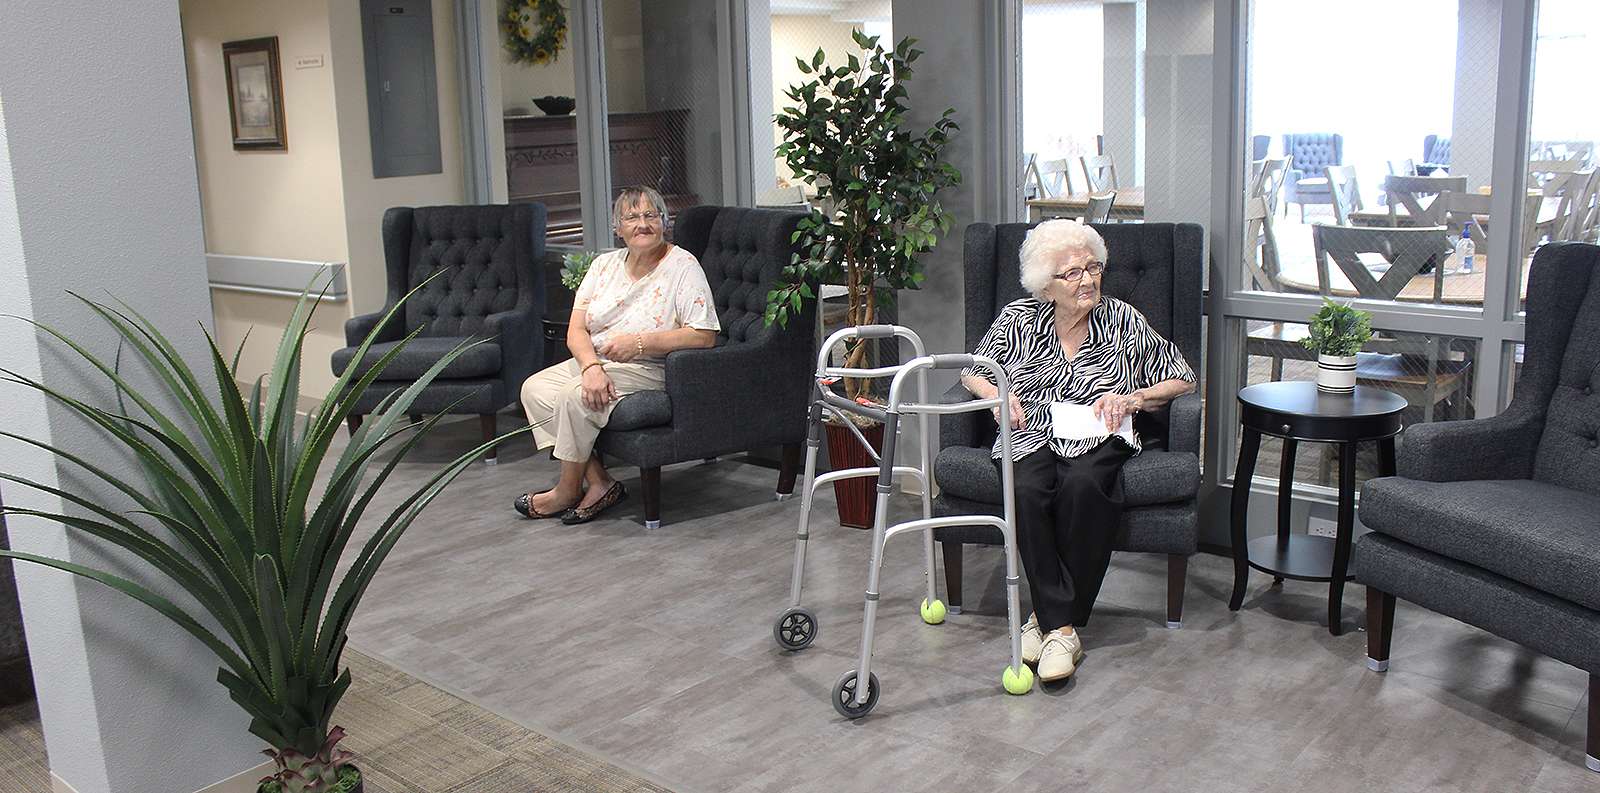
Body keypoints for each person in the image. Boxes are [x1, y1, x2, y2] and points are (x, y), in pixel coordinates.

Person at [960, 219, 1195, 682]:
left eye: (1093, 268)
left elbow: (1183, 376)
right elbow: (972, 370)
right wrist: (997, 398)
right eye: (1072, 273)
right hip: (1032, 429)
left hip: (1098, 430)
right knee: (1027, 488)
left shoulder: (1124, 320)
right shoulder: (1017, 319)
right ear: (1046, 283)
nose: (1087, 280)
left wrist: (1132, 398)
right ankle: (1059, 627)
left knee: (1085, 484)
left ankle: (1050, 624)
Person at [514, 186, 719, 524]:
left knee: (574, 396)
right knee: (535, 390)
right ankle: (599, 481)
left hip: (649, 366)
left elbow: (703, 335)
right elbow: (576, 330)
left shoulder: (683, 266)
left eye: (651, 215)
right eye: (632, 217)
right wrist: (591, 366)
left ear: (664, 222)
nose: (642, 224)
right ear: (617, 227)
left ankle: (566, 490)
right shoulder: (603, 265)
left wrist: (639, 343)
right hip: (599, 361)